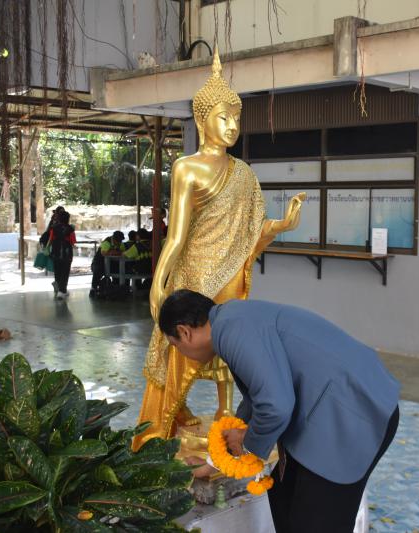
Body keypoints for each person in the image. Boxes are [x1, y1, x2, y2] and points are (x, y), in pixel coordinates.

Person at [132, 48, 305, 451]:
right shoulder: (187, 168)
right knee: (181, 346)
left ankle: (229, 414)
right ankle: (167, 420)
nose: (232, 127)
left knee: (231, 346)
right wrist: (158, 283)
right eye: (223, 118)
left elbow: (251, 231)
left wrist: (281, 226)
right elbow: (176, 236)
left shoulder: (243, 173)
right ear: (201, 119)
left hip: (230, 276)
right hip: (194, 275)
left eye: (236, 119)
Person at [158, 289, 401, 533]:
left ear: (184, 332)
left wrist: (247, 443)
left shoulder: (232, 331)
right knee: (283, 500)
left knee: (313, 523)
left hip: (351, 412)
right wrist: (215, 462)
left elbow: (275, 406)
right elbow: (255, 401)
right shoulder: (231, 320)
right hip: (336, 407)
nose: (181, 354)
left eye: (175, 345)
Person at [48, 210, 76, 300]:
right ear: (68, 219)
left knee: (57, 271)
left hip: (56, 252)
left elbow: (51, 239)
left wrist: (48, 248)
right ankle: (62, 291)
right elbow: (73, 241)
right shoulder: (71, 229)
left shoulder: (53, 228)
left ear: (59, 219)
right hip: (67, 253)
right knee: (65, 272)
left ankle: (59, 289)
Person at [90, 230, 126, 297]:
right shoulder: (106, 242)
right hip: (99, 262)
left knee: (119, 270)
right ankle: (93, 288)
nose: (120, 243)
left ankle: (116, 289)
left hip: (112, 263)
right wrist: (115, 252)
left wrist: (113, 252)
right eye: (118, 241)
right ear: (114, 239)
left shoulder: (120, 243)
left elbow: (123, 252)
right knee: (97, 270)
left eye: (120, 241)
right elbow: (104, 253)